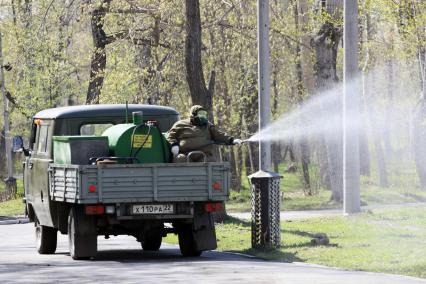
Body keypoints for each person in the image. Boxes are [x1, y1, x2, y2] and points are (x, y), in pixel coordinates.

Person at [167, 105, 242, 162]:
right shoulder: (180, 124)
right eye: (200, 114)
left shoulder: (208, 125)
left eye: (204, 114)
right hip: (185, 154)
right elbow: (170, 136)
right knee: (179, 160)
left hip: (204, 155)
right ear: (193, 114)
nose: (203, 116)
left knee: (210, 163)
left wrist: (231, 140)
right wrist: (174, 145)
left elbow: (218, 134)